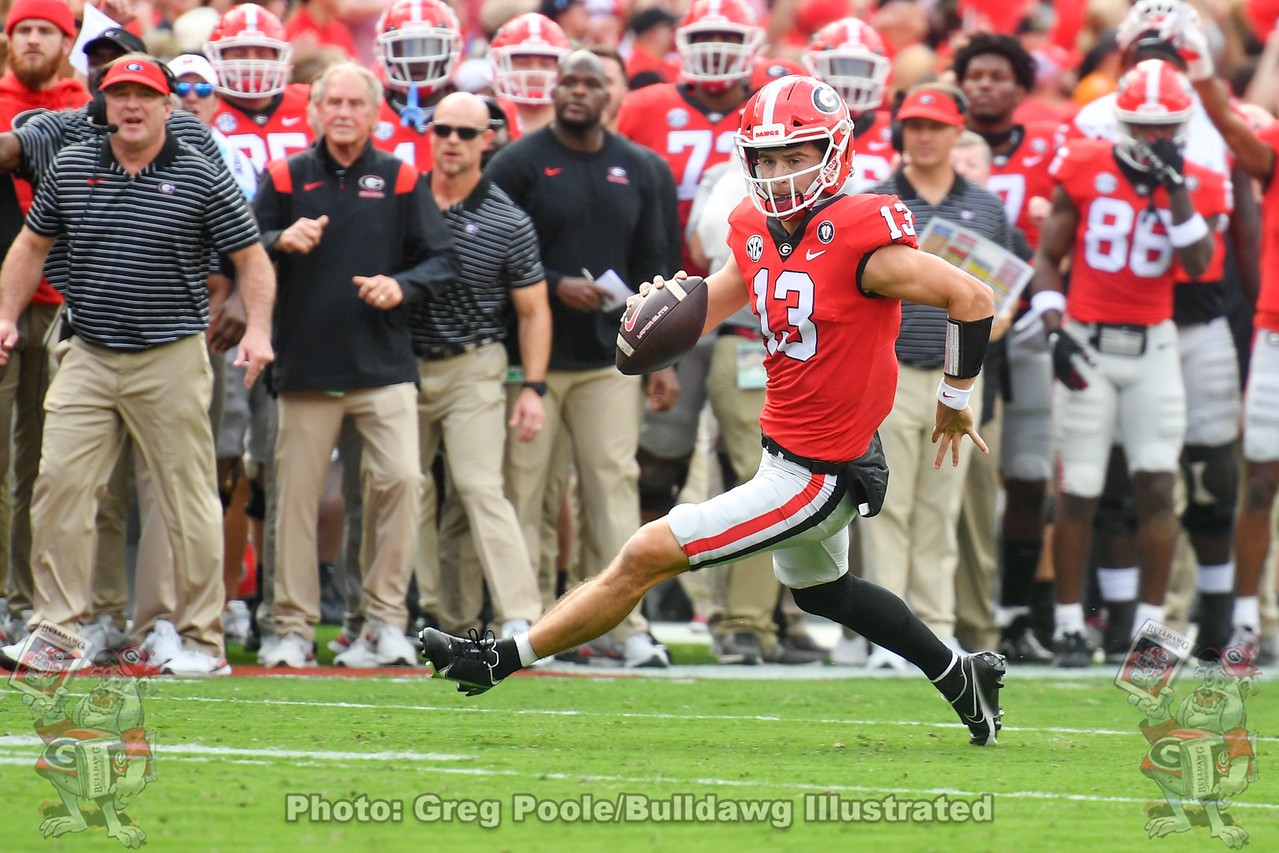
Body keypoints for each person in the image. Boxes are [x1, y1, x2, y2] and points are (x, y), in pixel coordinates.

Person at [422, 74, 1006, 748]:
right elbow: (719, 297)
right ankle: (962, 677)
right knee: (827, 592)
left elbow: (972, 297)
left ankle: (499, 657)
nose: (781, 174)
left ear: (835, 153)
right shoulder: (755, 229)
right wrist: (658, 317)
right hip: (782, 447)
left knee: (645, 551)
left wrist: (954, 398)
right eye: (768, 159)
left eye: (797, 156)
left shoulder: (864, 240)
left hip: (818, 472)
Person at [0, 54, 276, 676]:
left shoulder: (202, 174)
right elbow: (30, 246)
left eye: (143, 95)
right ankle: (56, 634)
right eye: (119, 93)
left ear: (166, 105)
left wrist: (256, 328)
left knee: (187, 498)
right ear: (104, 102)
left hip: (170, 355)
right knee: (59, 487)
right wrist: (6, 316)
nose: (130, 105)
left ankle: (203, 640)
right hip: (89, 350)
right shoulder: (72, 167)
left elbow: (252, 260)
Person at [252, 62, 457, 668]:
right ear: (314, 110)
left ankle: (385, 621)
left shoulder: (400, 177)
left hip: (384, 366)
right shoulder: (285, 175)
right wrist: (277, 242)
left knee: (402, 482)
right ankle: (290, 627)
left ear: (374, 112)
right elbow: (240, 245)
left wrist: (402, 287)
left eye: (354, 103)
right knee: (294, 500)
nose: (343, 112)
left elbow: (440, 261)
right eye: (332, 102)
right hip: (305, 366)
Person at [1066, 1, 1253, 660]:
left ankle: (1214, 616)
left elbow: (1229, 242)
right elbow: (1063, 229)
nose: (1158, 62)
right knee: (1107, 478)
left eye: (1173, 52)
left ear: (1195, 62)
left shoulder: (1221, 121)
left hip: (1193, 318)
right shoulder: (1093, 123)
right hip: (1105, 318)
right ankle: (1113, 620)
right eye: (1148, 48)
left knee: (1203, 475)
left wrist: (1249, 318)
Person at [482, 50, 675, 668]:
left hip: (609, 360)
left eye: (592, 83)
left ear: (612, 95)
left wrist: (663, 359)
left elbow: (657, 268)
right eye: (568, 80)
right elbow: (491, 252)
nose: (577, 92)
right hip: (530, 361)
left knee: (611, 488)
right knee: (528, 492)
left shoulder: (643, 167)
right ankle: (535, 625)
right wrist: (555, 280)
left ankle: (625, 624)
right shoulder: (516, 162)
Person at [1029, 58, 1220, 668]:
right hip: (1086, 336)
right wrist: (1055, 327)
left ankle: (1152, 633)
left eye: (1166, 128)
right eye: (1144, 127)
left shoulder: (1201, 179)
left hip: (1154, 343)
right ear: (1122, 124)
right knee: (1079, 487)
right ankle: (1067, 626)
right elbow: (1048, 253)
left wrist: (1178, 186)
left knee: (1159, 484)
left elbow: (1196, 264)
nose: (1156, 139)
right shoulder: (1085, 162)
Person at [865, 84, 1013, 667]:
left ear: (958, 131)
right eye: (913, 125)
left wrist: (993, 328)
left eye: (934, 125)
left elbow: (1004, 293)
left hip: (956, 379)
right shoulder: (875, 201)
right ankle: (887, 635)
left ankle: (936, 627)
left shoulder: (987, 207)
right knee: (888, 505)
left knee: (940, 507)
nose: (922, 136)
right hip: (890, 369)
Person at [405, 91, 551, 643]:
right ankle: (420, 612)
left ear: (487, 139)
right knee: (402, 487)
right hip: (403, 363)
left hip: (475, 362)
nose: (452, 142)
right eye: (443, 130)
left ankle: (519, 615)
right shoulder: (405, 198)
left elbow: (533, 311)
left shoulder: (507, 219)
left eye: (465, 133)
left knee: (479, 485)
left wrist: (533, 386)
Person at [1176, 9, 1279, 663]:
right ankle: (1244, 617)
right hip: (1273, 331)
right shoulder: (1268, 155)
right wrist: (1201, 66)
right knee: (1259, 479)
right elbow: (1225, 121)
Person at [954, 32, 1061, 662]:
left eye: (999, 76)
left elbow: (1044, 249)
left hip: (1020, 331)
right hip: (943, 336)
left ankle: (1018, 612)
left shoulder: (1049, 148)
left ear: (1021, 86)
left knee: (1024, 475)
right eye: (976, 74)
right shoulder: (935, 149)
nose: (985, 85)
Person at [0, 0, 90, 648]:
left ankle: (24, 599)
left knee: (43, 466)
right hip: (3, 301)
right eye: (22, 29)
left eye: (45, 30)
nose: (32, 40)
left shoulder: (98, 107)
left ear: (68, 40)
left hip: (67, 304)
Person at [206, 4, 313, 171]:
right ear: (218, 56)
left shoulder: (309, 103)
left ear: (279, 57)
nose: (251, 63)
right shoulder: (203, 109)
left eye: (262, 54)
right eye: (239, 54)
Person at [801, 16, 896, 192]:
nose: (852, 79)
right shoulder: (800, 128)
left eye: (861, 69)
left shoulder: (895, 130)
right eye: (841, 66)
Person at [369, 0, 462, 171]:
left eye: (429, 47)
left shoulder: (470, 113)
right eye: (404, 48)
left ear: (450, 49)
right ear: (385, 52)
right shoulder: (367, 115)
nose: (416, 60)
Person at [489, 12, 571, 139]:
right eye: (523, 63)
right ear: (501, 65)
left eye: (545, 64)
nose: (534, 73)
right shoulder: (487, 118)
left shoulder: (577, 122)